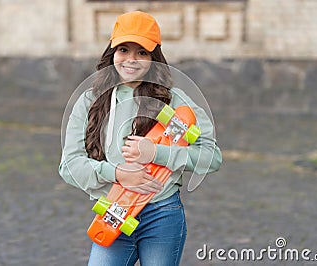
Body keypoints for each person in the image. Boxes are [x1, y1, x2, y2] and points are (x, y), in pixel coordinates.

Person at [59, 11, 222, 266]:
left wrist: (157, 153)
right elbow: (69, 165)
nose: (131, 60)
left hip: (162, 216)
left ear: (154, 57)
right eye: (123, 49)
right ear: (111, 53)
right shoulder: (89, 101)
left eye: (142, 52)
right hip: (113, 215)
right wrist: (117, 174)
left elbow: (211, 158)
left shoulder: (175, 101)